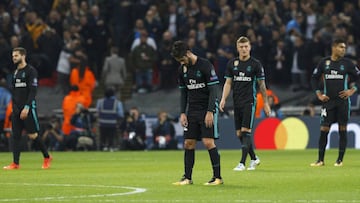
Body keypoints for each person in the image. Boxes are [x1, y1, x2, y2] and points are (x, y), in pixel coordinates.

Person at [171, 40, 223, 186]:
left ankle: (217, 177)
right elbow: (183, 93)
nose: (181, 63)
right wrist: (182, 112)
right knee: (188, 143)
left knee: (208, 142)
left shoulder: (205, 65)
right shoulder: (182, 70)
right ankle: (187, 177)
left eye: (182, 59)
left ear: (188, 53)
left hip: (206, 108)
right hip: (192, 110)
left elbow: (214, 90)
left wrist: (210, 111)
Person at [220, 36, 270, 171]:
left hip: (250, 101)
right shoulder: (232, 64)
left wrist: (265, 103)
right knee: (239, 134)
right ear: (237, 48)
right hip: (237, 102)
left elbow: (262, 85)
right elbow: (228, 83)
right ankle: (254, 158)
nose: (244, 49)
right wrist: (223, 98)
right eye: (241, 47)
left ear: (250, 47)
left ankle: (242, 163)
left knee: (245, 131)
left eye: (246, 46)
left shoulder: (255, 64)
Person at [310, 38, 360, 167]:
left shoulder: (348, 63)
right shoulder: (324, 63)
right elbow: (314, 78)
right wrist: (318, 94)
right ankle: (320, 160)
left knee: (342, 129)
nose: (344, 50)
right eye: (341, 47)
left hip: (343, 102)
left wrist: (352, 90)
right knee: (324, 129)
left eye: (344, 47)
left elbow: (358, 77)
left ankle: (339, 160)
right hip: (328, 102)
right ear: (334, 47)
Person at [3, 47, 52, 170]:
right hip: (16, 108)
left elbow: (33, 91)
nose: (14, 58)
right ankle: (15, 163)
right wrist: (14, 107)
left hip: (28, 108)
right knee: (16, 136)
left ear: (23, 56)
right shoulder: (15, 73)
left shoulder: (31, 71)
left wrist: (27, 107)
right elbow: (14, 92)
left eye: (16, 56)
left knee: (33, 135)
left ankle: (47, 157)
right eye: (13, 56)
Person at [96, 87, 124, 152]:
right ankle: (111, 147)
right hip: (112, 124)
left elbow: (97, 112)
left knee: (103, 138)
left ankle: (103, 147)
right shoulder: (117, 103)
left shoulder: (100, 102)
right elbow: (121, 114)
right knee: (112, 137)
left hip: (102, 123)